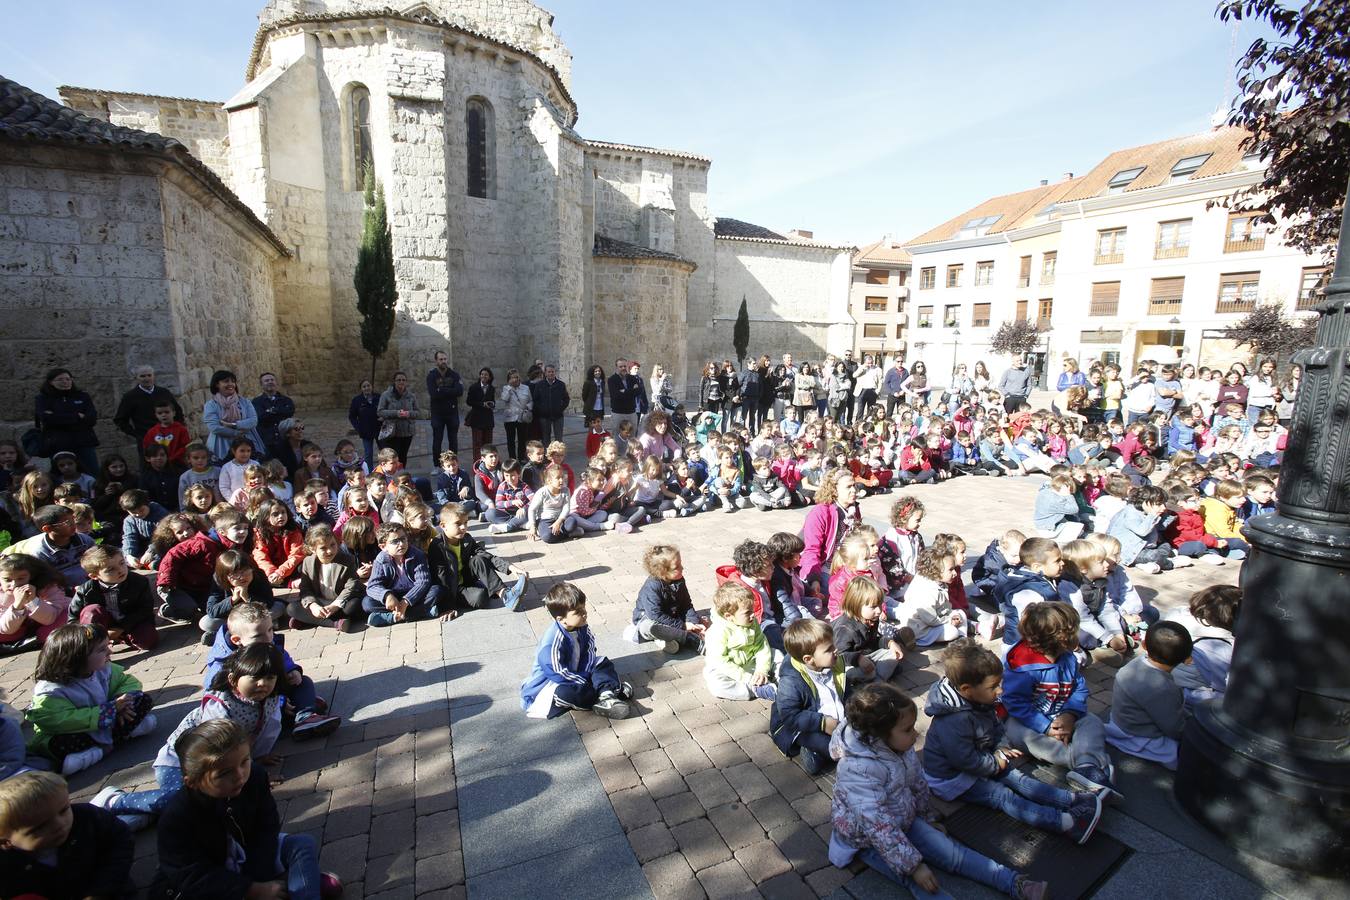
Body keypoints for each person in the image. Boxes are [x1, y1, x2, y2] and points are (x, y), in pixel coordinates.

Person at [828, 682, 1049, 900]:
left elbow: (918, 784)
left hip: (903, 819)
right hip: (868, 839)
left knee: (951, 853)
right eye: (907, 730)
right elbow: (877, 825)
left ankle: (1012, 882)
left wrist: (927, 817)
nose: (915, 734)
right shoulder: (857, 770)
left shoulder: (897, 747)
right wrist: (914, 867)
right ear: (880, 735)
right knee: (918, 881)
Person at [923, 640, 1102, 844]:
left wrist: (1001, 747)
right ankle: (1066, 823)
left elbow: (996, 725)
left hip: (979, 758)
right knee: (1002, 795)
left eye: (999, 683)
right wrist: (993, 763)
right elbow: (962, 759)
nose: (1000, 690)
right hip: (951, 777)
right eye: (993, 686)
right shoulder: (954, 720)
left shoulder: (980, 699)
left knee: (1016, 777)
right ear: (967, 689)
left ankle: (1071, 800)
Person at [151, 719, 343, 899]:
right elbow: (190, 876)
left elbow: (267, 826)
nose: (240, 776)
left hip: (249, 859)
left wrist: (260, 879)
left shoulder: (255, 776)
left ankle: (296, 888)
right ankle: (295, 884)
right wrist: (250, 890)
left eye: (245, 761)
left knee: (302, 844)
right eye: (224, 773)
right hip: (214, 879)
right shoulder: (177, 817)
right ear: (193, 782)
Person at [1002, 602, 1119, 799]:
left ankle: (1087, 767)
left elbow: (1079, 687)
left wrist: (1070, 714)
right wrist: (1046, 727)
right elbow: (1015, 703)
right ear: (1062, 639)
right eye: (1076, 631)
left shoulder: (1068, 658)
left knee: (1092, 721)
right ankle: (1083, 762)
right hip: (1029, 720)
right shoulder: (1023, 668)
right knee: (1017, 733)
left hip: (1062, 713)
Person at [25, 622, 157, 776]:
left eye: (108, 645)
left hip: (109, 720)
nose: (109, 651)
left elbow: (127, 682)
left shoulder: (103, 669)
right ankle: (101, 749)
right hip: (78, 731)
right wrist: (108, 711)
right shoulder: (51, 691)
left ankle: (113, 738)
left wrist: (122, 702)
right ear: (76, 658)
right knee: (58, 745)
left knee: (143, 699)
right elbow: (56, 720)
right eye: (102, 650)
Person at [0, 770, 135, 900]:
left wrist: (101, 890)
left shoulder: (87, 818)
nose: (59, 824)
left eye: (64, 810)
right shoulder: (6, 864)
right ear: (5, 842)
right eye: (40, 827)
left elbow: (120, 842)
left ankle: (116, 801)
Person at [520, 582, 633, 719]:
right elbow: (558, 673)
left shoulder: (581, 626)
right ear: (561, 619)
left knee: (602, 662)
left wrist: (586, 673)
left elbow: (590, 651)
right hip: (553, 683)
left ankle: (606, 695)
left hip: (577, 672)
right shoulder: (552, 642)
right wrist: (585, 680)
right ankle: (603, 694)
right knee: (565, 693)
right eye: (578, 612)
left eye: (584, 608)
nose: (584, 613)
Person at [1104, 621, 1193, 769]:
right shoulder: (1163, 688)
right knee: (1183, 757)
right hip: (1141, 735)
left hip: (1121, 721)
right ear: (1187, 659)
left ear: (1144, 645)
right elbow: (1174, 728)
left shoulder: (1135, 664)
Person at [771, 618, 849, 775]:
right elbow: (790, 715)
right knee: (839, 751)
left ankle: (824, 751)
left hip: (834, 720)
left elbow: (844, 690)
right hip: (802, 727)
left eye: (833, 645)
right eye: (829, 649)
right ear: (808, 659)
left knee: (864, 735)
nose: (836, 650)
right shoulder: (791, 681)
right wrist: (822, 723)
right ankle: (812, 753)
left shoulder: (832, 663)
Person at [428, 503, 528, 613]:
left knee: (478, 559)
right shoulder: (437, 546)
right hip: (453, 589)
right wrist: (447, 607)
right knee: (481, 597)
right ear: (443, 526)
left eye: (466, 522)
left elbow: (486, 556)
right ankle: (490, 589)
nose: (463, 527)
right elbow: (440, 578)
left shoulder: (466, 539)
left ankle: (505, 594)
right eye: (458, 524)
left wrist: (510, 567)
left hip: (466, 578)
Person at [70, 546, 158, 652]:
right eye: (111, 569)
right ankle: (95, 646)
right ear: (94, 576)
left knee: (148, 640)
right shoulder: (85, 591)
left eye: (122, 563)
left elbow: (145, 609)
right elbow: (73, 619)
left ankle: (122, 638)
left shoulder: (139, 582)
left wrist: (120, 628)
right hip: (101, 626)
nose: (120, 570)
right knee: (92, 610)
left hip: (130, 622)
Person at [287, 525, 364, 631]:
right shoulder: (308, 562)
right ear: (312, 549)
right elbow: (305, 589)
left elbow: (351, 587)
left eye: (332, 545)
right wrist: (314, 606)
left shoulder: (347, 560)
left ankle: (307, 619)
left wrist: (335, 606)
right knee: (291, 608)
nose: (330, 551)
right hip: (321, 602)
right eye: (323, 548)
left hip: (340, 601)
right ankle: (335, 623)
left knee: (354, 606)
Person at [364, 523, 442, 626]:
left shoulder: (417, 555)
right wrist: (387, 595)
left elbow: (423, 582)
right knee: (367, 603)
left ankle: (394, 617)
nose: (401, 544)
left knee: (436, 591)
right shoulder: (380, 560)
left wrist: (406, 601)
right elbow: (372, 585)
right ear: (383, 547)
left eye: (403, 539)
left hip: (415, 594)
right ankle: (422, 612)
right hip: (394, 596)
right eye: (395, 541)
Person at [4, 503, 96, 587]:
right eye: (67, 523)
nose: (73, 525)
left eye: (73, 520)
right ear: (47, 528)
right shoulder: (40, 552)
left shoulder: (85, 540)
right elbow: (46, 581)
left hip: (91, 582)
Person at [798, 470, 861, 592]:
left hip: (847, 562)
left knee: (869, 584)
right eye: (848, 487)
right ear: (834, 489)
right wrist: (814, 578)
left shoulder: (854, 510)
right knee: (850, 593)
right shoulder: (820, 512)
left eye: (854, 485)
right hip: (824, 566)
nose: (854, 490)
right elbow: (811, 549)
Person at [994, 537, 1061, 647]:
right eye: (1057, 561)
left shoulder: (1036, 577)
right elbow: (1031, 627)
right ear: (1037, 567)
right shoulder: (1028, 593)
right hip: (1023, 646)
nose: (1062, 563)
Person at [33, 368, 100, 474]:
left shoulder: (82, 396)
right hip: (58, 443)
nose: (65, 382)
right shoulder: (43, 398)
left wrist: (60, 416)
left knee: (92, 472)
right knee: (62, 474)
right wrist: (77, 416)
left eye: (68, 379)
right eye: (60, 379)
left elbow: (91, 418)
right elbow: (47, 418)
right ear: (51, 382)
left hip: (83, 441)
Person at [0, 553, 69, 653]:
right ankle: (18, 644)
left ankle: (38, 640)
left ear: (31, 576)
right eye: (7, 580)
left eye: (21, 578)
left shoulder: (48, 586)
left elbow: (50, 618)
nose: (14, 585)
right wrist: (18, 606)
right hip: (14, 630)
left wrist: (32, 600)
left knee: (67, 618)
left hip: (45, 625)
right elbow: (5, 629)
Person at [203, 370, 266, 466]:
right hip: (222, 446)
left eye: (233, 381)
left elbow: (253, 420)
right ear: (217, 384)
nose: (231, 384)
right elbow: (214, 427)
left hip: (247, 444)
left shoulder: (244, 402)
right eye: (226, 381)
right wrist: (236, 433)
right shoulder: (211, 405)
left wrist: (234, 425)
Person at [426, 350, 464, 461]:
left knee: (453, 440)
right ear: (436, 361)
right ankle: (437, 465)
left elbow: (460, 391)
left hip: (452, 413)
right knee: (437, 440)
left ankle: (453, 463)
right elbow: (433, 393)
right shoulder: (432, 376)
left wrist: (441, 390)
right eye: (441, 359)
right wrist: (451, 391)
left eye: (445, 359)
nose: (443, 361)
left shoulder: (454, 375)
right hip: (437, 414)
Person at [377, 371, 420, 466]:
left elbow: (417, 412)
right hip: (392, 433)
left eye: (403, 380)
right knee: (392, 458)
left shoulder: (411, 396)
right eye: (399, 380)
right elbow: (380, 411)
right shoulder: (386, 395)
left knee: (403, 457)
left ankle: (401, 477)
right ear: (394, 381)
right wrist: (396, 413)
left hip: (407, 432)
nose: (401, 382)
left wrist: (408, 414)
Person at [252, 373, 295, 459]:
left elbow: (289, 412)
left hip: (285, 440)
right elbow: (260, 417)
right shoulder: (256, 402)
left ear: (276, 382)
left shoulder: (286, 400)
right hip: (267, 441)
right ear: (261, 384)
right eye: (266, 380)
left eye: (272, 380)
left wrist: (270, 411)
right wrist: (278, 411)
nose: (270, 382)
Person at [497, 368, 533, 464]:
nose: (515, 379)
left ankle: (521, 457)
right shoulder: (506, 388)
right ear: (509, 379)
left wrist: (528, 408)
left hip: (522, 416)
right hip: (510, 417)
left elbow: (530, 400)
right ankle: (512, 458)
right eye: (512, 378)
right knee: (510, 440)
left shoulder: (525, 388)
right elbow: (504, 399)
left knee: (522, 439)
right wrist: (509, 388)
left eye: (516, 377)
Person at [532, 364, 570, 445]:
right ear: (545, 373)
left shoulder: (561, 384)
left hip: (558, 415)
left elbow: (566, 399)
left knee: (559, 438)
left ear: (555, 373)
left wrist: (560, 409)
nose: (551, 374)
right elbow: (535, 399)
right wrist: (541, 409)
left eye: (552, 372)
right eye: (549, 372)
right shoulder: (540, 385)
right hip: (544, 416)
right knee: (545, 438)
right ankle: (547, 455)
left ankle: (558, 454)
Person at [465, 367, 496, 462]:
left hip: (488, 418)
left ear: (490, 377)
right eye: (482, 374)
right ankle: (477, 463)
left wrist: (492, 404)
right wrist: (482, 404)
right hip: (477, 419)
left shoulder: (491, 388)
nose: (483, 376)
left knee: (488, 443)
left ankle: (488, 462)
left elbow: (493, 400)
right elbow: (469, 401)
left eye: (486, 374)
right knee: (477, 443)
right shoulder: (474, 387)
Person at [348, 379, 381, 466]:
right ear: (361, 389)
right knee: (368, 454)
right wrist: (359, 428)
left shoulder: (379, 397)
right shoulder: (357, 400)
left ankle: (384, 472)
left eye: (368, 386)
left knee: (383, 453)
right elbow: (352, 416)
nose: (367, 388)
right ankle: (369, 474)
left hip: (379, 430)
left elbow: (384, 410)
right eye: (364, 386)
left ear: (372, 386)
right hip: (366, 431)